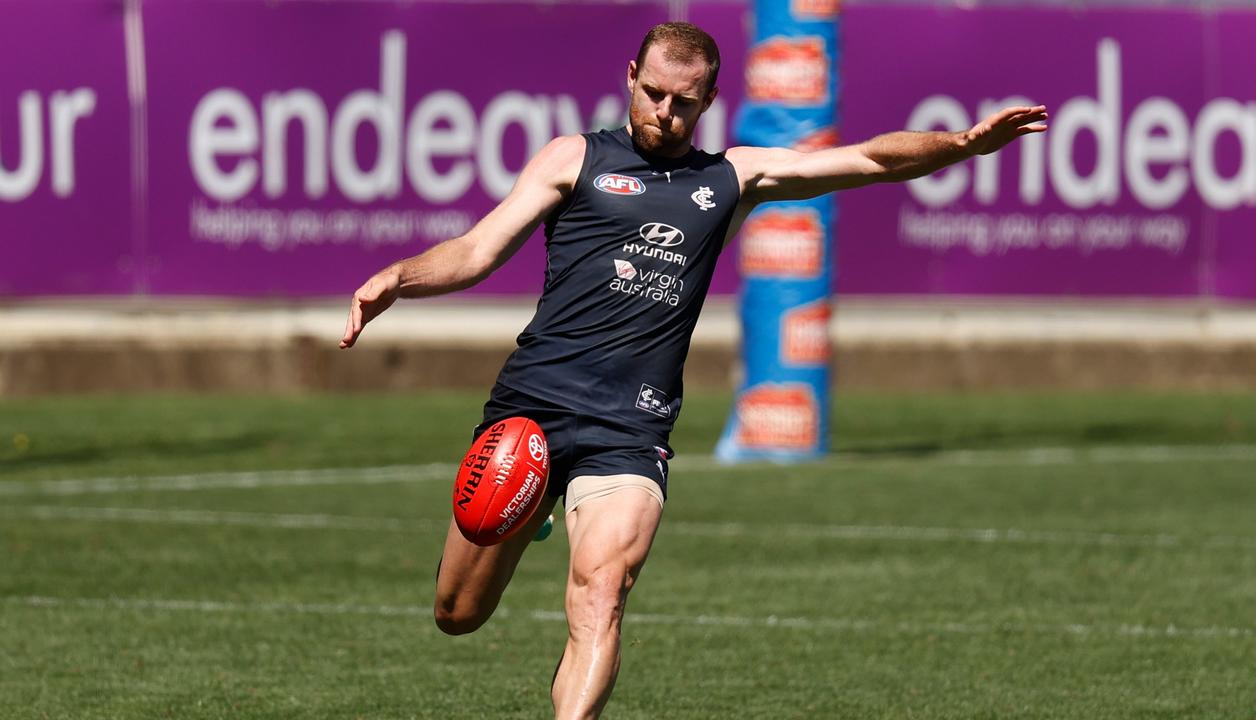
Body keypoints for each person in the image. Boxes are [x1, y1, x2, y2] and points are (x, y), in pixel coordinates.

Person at [339, 21, 1047, 720]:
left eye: (682, 100)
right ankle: (534, 504)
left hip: (628, 425)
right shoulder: (572, 158)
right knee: (456, 614)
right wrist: (399, 278)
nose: (663, 112)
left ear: (707, 101)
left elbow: (868, 160)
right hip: (530, 410)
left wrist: (959, 145)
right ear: (629, 78)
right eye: (652, 93)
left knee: (602, 589)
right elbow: (476, 249)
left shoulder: (730, 177)